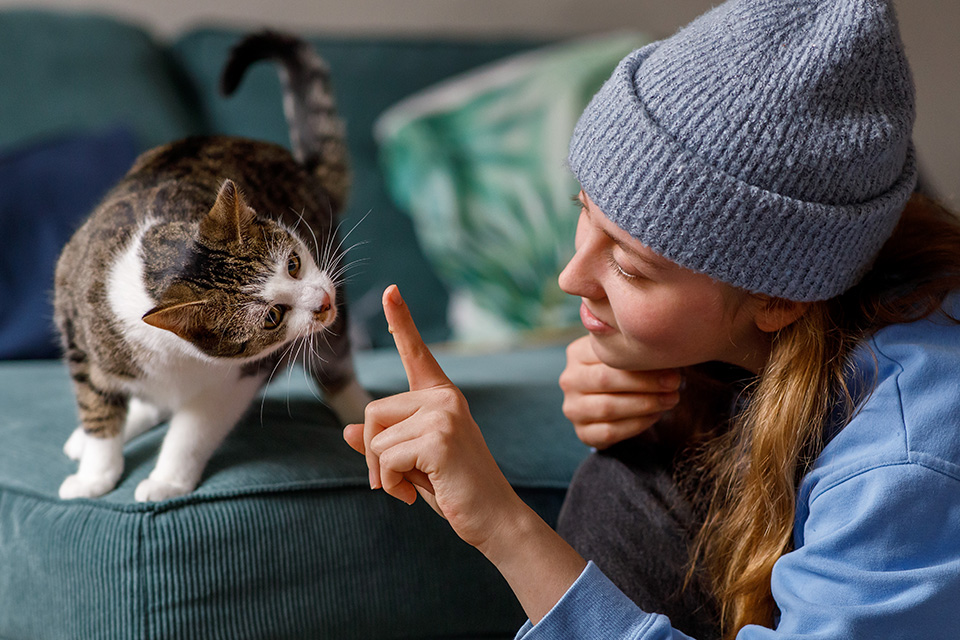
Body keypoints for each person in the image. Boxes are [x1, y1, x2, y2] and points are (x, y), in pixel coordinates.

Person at [343, 0, 960, 637]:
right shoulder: (851, 274)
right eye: (583, 209)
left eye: (632, 268)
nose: (571, 278)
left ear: (778, 300)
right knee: (620, 490)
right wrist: (663, 389)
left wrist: (504, 525)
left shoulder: (907, 462)